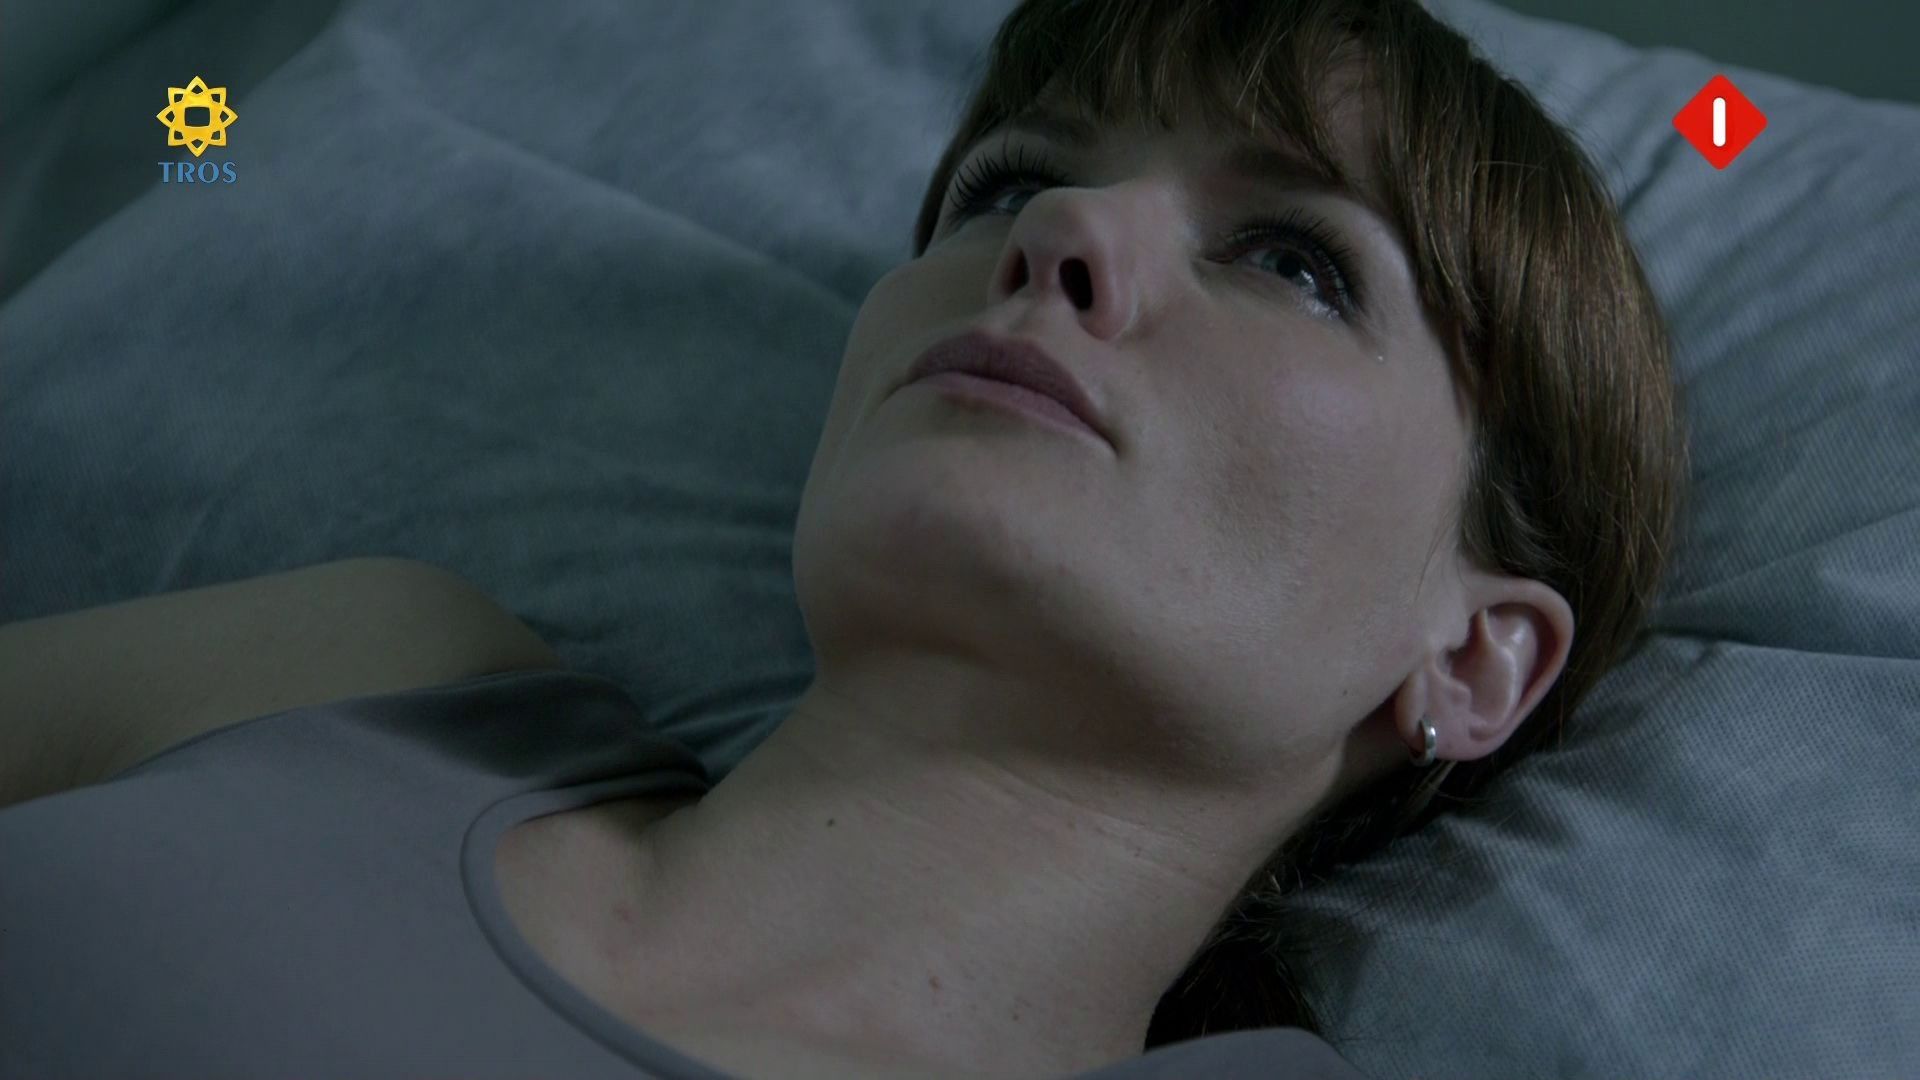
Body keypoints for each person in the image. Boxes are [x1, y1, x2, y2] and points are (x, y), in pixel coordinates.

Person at [0, 0, 1685, 1077]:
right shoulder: (371, 671)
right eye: (1004, 187)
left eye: (1294, 259)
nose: (1062, 229)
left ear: (1477, 660)